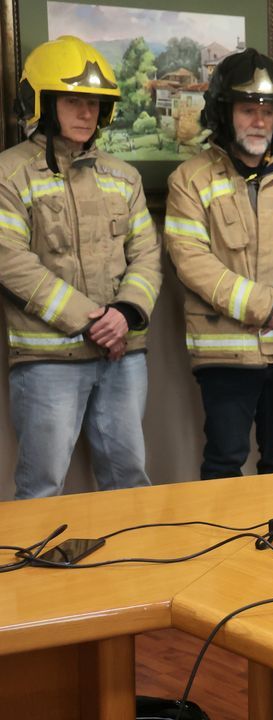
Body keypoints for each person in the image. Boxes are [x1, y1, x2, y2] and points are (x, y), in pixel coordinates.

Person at [165, 48, 273, 480]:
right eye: (248, 110)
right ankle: (223, 549)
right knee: (224, 462)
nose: (260, 121)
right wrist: (266, 306)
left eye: (268, 111)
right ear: (224, 113)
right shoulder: (190, 179)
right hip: (226, 354)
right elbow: (192, 263)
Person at [0, 35, 161, 498]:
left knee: (129, 480)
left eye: (94, 102)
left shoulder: (123, 176)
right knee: (41, 486)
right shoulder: (10, 174)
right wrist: (92, 320)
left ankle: (131, 571)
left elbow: (147, 257)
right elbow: (12, 262)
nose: (87, 112)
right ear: (42, 103)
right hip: (48, 357)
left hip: (122, 354)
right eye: (73, 100)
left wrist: (125, 315)